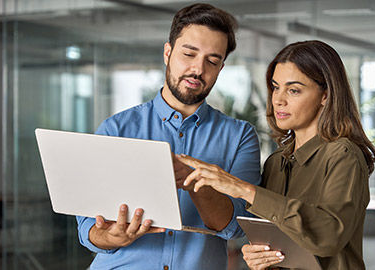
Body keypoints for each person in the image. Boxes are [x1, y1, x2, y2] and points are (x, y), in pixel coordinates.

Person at [76, 3, 261, 270]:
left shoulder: (239, 136)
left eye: (212, 61)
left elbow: (235, 227)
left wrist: (193, 181)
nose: (198, 69)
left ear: (221, 68)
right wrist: (109, 236)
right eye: (189, 54)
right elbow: (87, 229)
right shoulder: (116, 130)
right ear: (167, 52)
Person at [178, 40, 375, 270]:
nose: (278, 100)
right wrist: (257, 254)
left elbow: (328, 236)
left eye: (293, 90)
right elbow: (277, 239)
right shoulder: (276, 162)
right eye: (275, 87)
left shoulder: (343, 155)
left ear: (325, 95)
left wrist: (244, 189)